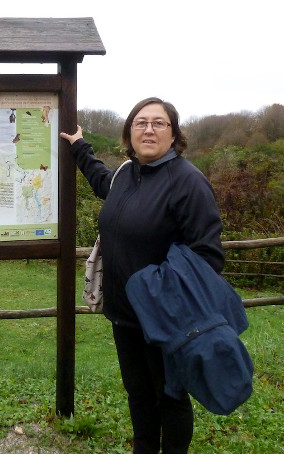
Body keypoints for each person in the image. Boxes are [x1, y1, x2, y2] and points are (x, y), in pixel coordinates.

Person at [60, 97, 225, 453]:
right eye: (140, 122)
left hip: (167, 321)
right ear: (130, 132)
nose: (148, 129)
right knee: (138, 393)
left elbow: (208, 256)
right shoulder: (126, 175)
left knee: (170, 396)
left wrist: (161, 297)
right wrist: (79, 147)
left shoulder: (187, 182)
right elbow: (101, 181)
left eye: (158, 123)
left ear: (173, 133)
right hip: (124, 316)